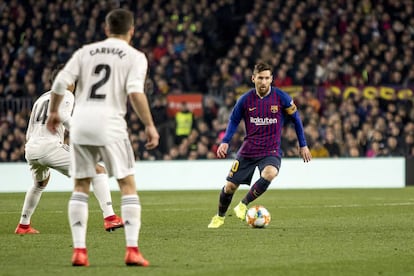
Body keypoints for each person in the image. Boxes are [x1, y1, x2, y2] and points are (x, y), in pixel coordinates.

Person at [46, 9, 159, 267]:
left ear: (106, 30)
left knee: (80, 187)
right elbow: (135, 93)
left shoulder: (85, 51)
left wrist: (53, 112)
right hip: (111, 124)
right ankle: (131, 250)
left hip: (82, 125)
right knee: (127, 184)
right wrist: (149, 125)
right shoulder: (135, 56)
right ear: (132, 31)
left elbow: (59, 83)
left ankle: (79, 252)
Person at [15, 65, 123, 235]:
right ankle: (110, 218)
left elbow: (30, 130)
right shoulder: (66, 94)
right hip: (49, 147)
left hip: (31, 149)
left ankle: (23, 225)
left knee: (39, 184)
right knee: (98, 170)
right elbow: (64, 116)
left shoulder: (41, 99)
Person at [207, 62, 312, 229]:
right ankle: (219, 217)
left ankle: (243, 204)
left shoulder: (282, 98)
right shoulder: (245, 100)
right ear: (253, 78)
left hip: (271, 149)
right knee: (229, 187)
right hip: (249, 149)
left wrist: (303, 144)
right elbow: (234, 120)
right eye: (260, 78)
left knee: (270, 173)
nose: (263, 82)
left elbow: (297, 120)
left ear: (271, 79)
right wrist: (225, 141)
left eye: (267, 78)